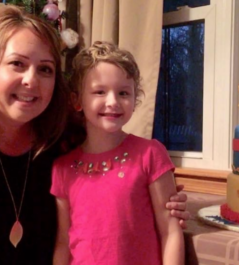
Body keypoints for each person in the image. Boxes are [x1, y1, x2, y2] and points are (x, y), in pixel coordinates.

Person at [0, 5, 189, 265]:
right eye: (17, 64)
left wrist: (165, 199)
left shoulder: (63, 134)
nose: (31, 81)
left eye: (45, 69)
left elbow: (118, 182)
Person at [51, 41, 185, 265]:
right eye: (99, 92)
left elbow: (170, 232)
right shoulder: (62, 168)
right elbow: (63, 243)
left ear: (135, 98)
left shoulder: (150, 154)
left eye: (123, 92)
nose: (112, 102)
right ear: (77, 101)